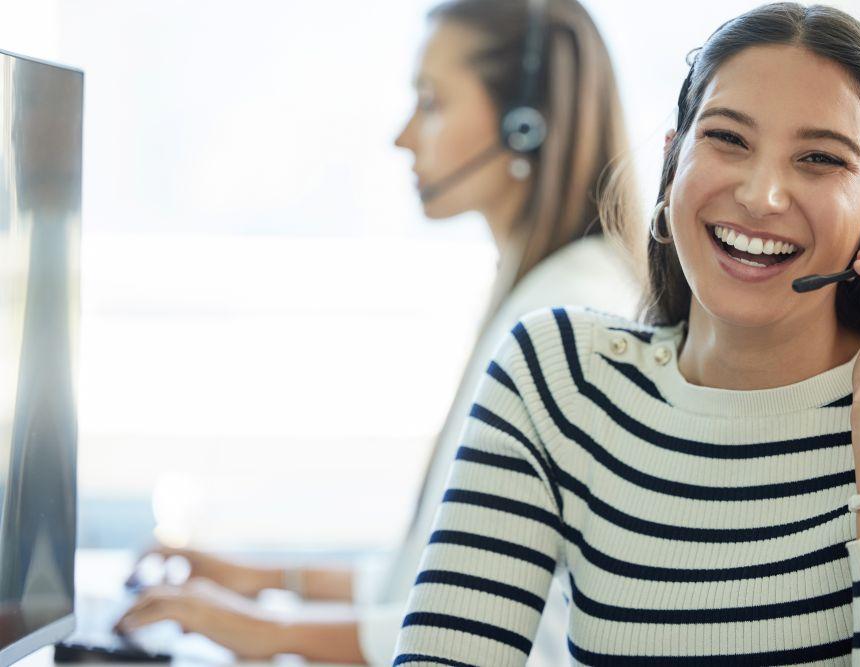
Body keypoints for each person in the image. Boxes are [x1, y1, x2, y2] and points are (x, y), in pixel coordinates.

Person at [392, 3, 860, 664]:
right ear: (673, 161)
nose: (762, 195)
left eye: (820, 158)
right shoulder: (559, 378)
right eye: (728, 138)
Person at [115, 0, 641, 664]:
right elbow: (450, 575)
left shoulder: (572, 315)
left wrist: (275, 632)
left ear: (524, 125)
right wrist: (264, 580)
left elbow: (522, 627)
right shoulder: (541, 290)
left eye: (431, 102)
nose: (403, 137)